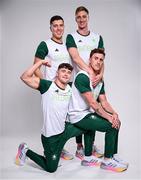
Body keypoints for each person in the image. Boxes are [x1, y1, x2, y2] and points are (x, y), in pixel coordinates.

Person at [15, 61, 88, 173]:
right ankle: (25, 150)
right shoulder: (47, 86)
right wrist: (40, 62)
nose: (66, 74)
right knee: (51, 169)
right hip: (51, 137)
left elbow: (89, 83)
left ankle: (86, 155)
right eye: (63, 71)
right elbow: (24, 77)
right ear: (57, 73)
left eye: (69, 72)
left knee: (89, 125)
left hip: (65, 130)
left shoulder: (70, 87)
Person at [68, 48, 128, 172]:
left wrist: (114, 113)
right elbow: (93, 103)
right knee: (111, 125)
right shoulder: (82, 77)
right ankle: (107, 161)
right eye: (96, 58)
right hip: (78, 115)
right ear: (90, 60)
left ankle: (110, 156)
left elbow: (104, 102)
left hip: (88, 113)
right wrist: (109, 117)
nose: (98, 61)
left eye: (101, 60)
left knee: (117, 121)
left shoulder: (99, 81)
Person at [66, 6, 104, 159]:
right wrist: (89, 71)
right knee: (78, 112)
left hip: (94, 81)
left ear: (88, 18)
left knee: (92, 110)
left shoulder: (97, 37)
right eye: (78, 17)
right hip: (79, 80)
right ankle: (79, 147)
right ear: (76, 19)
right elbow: (75, 57)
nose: (81, 19)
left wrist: (100, 75)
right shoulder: (71, 37)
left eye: (84, 16)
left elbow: (102, 58)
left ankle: (90, 145)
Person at [33, 15, 73, 160]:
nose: (58, 28)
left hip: (66, 87)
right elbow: (36, 66)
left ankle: (59, 148)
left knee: (64, 118)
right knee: (51, 121)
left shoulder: (67, 46)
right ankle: (50, 150)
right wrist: (47, 86)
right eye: (55, 25)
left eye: (61, 25)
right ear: (50, 27)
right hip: (52, 88)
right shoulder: (45, 44)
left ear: (64, 27)